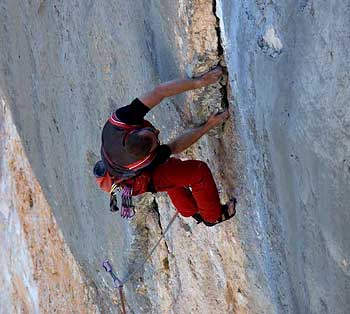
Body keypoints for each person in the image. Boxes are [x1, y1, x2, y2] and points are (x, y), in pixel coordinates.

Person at [94, 66, 236, 226]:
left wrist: (201, 81)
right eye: (156, 136)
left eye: (152, 131)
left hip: (120, 165)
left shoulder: (122, 120)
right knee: (197, 173)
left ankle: (190, 210)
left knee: (172, 173)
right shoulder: (147, 163)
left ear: (133, 132)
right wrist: (208, 125)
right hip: (138, 179)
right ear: (148, 155)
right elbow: (175, 146)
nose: (158, 130)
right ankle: (211, 216)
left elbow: (160, 92)